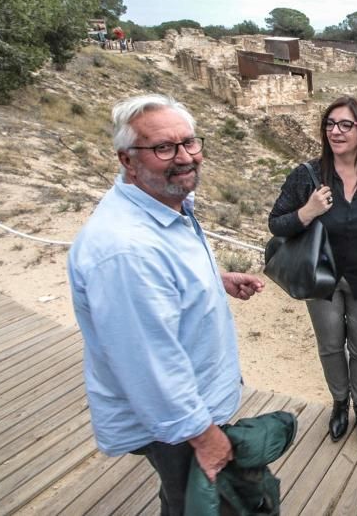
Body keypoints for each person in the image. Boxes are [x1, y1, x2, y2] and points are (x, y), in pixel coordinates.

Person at [67, 94, 264, 516]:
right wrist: (205, 436)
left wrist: (214, 282)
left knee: (180, 494)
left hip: (190, 406)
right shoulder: (126, 251)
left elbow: (161, 291)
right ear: (127, 159)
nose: (184, 157)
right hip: (181, 422)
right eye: (163, 147)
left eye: (189, 142)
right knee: (205, 503)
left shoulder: (164, 204)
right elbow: (148, 363)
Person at [268, 96, 357, 447]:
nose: (336, 131)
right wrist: (308, 211)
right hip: (322, 280)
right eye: (330, 124)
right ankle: (339, 402)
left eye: (346, 124)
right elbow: (277, 223)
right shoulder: (307, 176)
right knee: (330, 346)